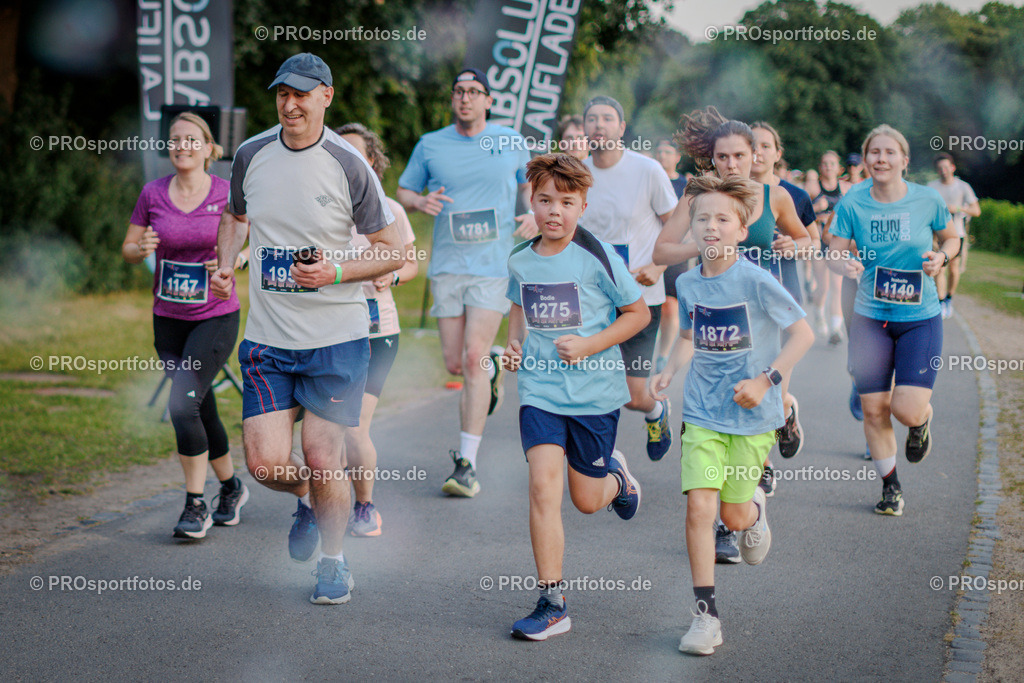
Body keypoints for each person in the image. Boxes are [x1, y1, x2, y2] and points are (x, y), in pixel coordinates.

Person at [211, 53, 405, 604]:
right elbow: (235, 216)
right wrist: (225, 264)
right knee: (265, 464)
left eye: (301, 94)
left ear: (326, 96)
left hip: (336, 339)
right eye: (282, 94)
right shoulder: (251, 154)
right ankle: (308, 498)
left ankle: (334, 563)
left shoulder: (349, 164)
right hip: (269, 339)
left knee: (323, 456)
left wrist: (335, 272)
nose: (290, 104)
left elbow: (393, 251)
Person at [650, 175, 814, 655]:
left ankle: (755, 510)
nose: (711, 227)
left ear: (743, 231)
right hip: (702, 412)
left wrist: (766, 381)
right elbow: (689, 336)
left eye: (723, 219)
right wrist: (668, 370)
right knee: (700, 508)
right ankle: (706, 617)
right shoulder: (687, 282)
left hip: (753, 417)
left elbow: (802, 334)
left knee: (734, 515)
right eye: (702, 218)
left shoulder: (756, 281)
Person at [654, 107, 811, 561]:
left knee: (758, 404)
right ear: (712, 158)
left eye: (740, 155)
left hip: (766, 319)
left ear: (755, 154)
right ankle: (729, 521)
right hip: (716, 319)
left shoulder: (774, 196)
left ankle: (746, 500)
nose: (731, 164)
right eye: (722, 157)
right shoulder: (698, 196)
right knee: (719, 416)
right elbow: (662, 251)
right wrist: (707, 241)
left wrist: (795, 244)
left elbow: (808, 240)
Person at [502, 153, 647, 640]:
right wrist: (514, 344)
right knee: (543, 487)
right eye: (545, 200)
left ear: (583, 206)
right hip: (539, 391)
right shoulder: (520, 257)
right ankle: (552, 602)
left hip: (594, 395)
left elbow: (638, 314)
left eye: (566, 202)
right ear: (532, 201)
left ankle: (618, 481)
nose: (555, 211)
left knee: (586, 500)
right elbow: (518, 305)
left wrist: (590, 344)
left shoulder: (597, 255)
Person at [397, 68, 536, 498]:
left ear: (488, 101)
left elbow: (529, 184)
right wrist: (421, 201)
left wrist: (533, 212)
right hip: (447, 266)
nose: (466, 97)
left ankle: (466, 464)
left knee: (473, 358)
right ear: (453, 98)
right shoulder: (431, 144)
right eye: (459, 91)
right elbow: (404, 191)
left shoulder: (510, 140)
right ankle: (491, 366)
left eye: (475, 91)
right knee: (456, 363)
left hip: (493, 265)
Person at [123, 112, 246, 540]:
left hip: (215, 315)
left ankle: (195, 504)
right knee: (199, 404)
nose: (182, 146)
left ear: (209, 148)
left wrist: (233, 261)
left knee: (182, 404)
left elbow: (254, 238)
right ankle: (232, 487)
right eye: (175, 139)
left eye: (192, 139)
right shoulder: (153, 193)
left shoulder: (227, 193)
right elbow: (128, 247)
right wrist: (140, 249)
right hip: (168, 319)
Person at [828, 124, 959, 516]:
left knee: (906, 409)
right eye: (874, 152)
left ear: (904, 159)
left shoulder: (927, 199)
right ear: (866, 159)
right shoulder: (853, 201)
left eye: (889, 152)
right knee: (873, 409)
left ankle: (921, 422)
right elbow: (833, 252)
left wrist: (942, 258)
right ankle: (891, 487)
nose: (880, 159)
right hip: (870, 318)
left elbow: (952, 238)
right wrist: (844, 263)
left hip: (920, 317)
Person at [581, 96, 678, 461]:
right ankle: (603, 462)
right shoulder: (577, 173)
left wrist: (658, 267)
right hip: (593, 300)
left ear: (621, 128)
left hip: (640, 300)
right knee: (594, 387)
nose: (599, 125)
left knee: (634, 396)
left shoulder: (647, 170)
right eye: (592, 118)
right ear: (585, 127)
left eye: (608, 118)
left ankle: (656, 410)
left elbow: (676, 227)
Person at [336, 122, 419, 537]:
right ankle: (318, 504)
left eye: (357, 154)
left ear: (372, 161)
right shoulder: (322, 208)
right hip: (330, 330)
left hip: (377, 331)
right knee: (325, 427)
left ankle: (365, 506)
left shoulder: (390, 210)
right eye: (340, 153)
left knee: (354, 428)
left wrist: (393, 276)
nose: (349, 161)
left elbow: (411, 263)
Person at [749, 121, 820, 495]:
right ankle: (764, 463)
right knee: (751, 383)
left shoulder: (793, 195)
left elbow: (814, 242)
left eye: (765, 145)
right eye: (751, 145)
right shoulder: (732, 192)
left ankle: (783, 414)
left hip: (784, 297)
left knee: (771, 386)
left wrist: (796, 245)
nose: (757, 152)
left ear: (778, 153)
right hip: (742, 302)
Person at [928, 153, 979, 319]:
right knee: (940, 268)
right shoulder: (931, 187)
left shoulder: (963, 187)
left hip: (957, 233)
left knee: (954, 269)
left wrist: (957, 208)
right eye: (939, 168)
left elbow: (976, 210)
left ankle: (949, 297)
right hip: (936, 235)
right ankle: (941, 300)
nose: (943, 170)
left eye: (945, 167)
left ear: (952, 167)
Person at [654, 139, 689, 373]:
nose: (662, 155)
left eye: (667, 152)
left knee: (669, 304)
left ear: (677, 157)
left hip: (675, 250)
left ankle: (663, 354)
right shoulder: (649, 179)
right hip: (648, 249)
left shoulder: (685, 185)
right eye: (659, 151)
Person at [812, 151, 853, 343]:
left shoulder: (846, 189)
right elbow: (799, 214)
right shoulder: (813, 188)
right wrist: (816, 210)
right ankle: (819, 314)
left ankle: (836, 329)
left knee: (837, 285)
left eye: (832, 163)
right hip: (819, 242)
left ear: (839, 168)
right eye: (825, 163)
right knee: (823, 286)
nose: (828, 166)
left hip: (837, 241)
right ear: (820, 167)